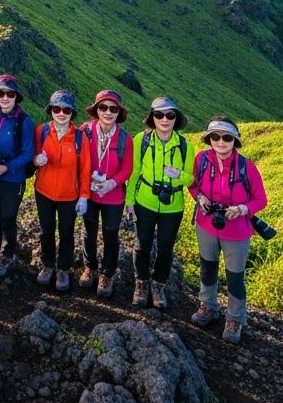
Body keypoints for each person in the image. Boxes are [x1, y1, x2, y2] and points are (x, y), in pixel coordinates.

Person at [189, 117, 268, 344]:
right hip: (207, 224)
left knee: (235, 277)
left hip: (237, 230)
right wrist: (200, 197)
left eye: (227, 137)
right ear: (209, 139)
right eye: (215, 137)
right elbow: (193, 185)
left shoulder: (246, 167)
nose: (221, 142)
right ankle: (208, 306)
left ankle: (235, 319)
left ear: (235, 140)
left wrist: (242, 209)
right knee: (207, 268)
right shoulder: (201, 160)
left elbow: (261, 199)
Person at [125, 96, 196, 309]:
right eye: (159, 115)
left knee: (166, 247)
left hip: (173, 205)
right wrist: (129, 202)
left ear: (176, 118)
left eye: (170, 115)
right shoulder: (141, 140)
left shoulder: (185, 145)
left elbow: (191, 179)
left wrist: (178, 175)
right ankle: (141, 283)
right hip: (144, 200)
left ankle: (158, 286)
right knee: (142, 244)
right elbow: (134, 172)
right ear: (152, 118)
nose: (164, 119)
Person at [32, 89, 91, 290]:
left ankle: (63, 269)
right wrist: (37, 160)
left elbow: (85, 169)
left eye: (66, 110)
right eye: (56, 109)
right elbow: (33, 155)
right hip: (44, 191)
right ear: (50, 110)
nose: (61, 113)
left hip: (69, 195)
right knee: (46, 230)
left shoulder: (80, 137)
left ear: (72, 113)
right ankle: (48, 265)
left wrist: (84, 197)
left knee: (66, 232)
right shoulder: (42, 131)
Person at [79, 90, 134, 297]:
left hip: (113, 196)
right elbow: (78, 158)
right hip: (90, 193)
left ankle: (107, 274)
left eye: (113, 109)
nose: (108, 112)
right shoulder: (85, 131)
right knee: (88, 232)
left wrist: (111, 183)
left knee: (111, 234)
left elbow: (127, 168)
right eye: (103, 107)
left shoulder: (125, 139)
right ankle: (90, 267)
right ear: (96, 110)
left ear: (118, 113)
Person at [0, 75, 35, 277]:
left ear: (16, 97)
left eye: (10, 94)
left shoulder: (24, 122)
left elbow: (28, 152)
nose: (5, 97)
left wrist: (7, 167)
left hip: (13, 178)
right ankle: (0, 249)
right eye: (0, 93)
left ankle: (7, 255)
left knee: (8, 216)